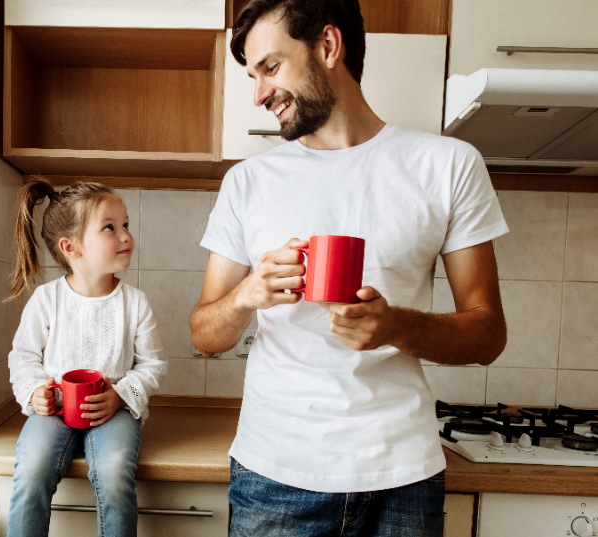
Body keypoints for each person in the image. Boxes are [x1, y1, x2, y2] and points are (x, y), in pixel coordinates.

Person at [190, 1, 508, 535]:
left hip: (402, 475)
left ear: (329, 46)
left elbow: (488, 332)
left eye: (269, 67)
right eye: (252, 76)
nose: (258, 94)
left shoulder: (448, 165)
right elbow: (204, 335)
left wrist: (395, 326)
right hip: (275, 473)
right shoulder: (248, 181)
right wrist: (248, 294)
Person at [5, 180, 168, 537]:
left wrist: (121, 396)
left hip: (114, 411)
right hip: (56, 409)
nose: (125, 235)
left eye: (125, 225)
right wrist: (35, 391)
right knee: (31, 470)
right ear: (71, 247)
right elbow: (24, 357)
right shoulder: (47, 300)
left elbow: (153, 364)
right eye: (110, 227)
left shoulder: (135, 303)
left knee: (113, 473)